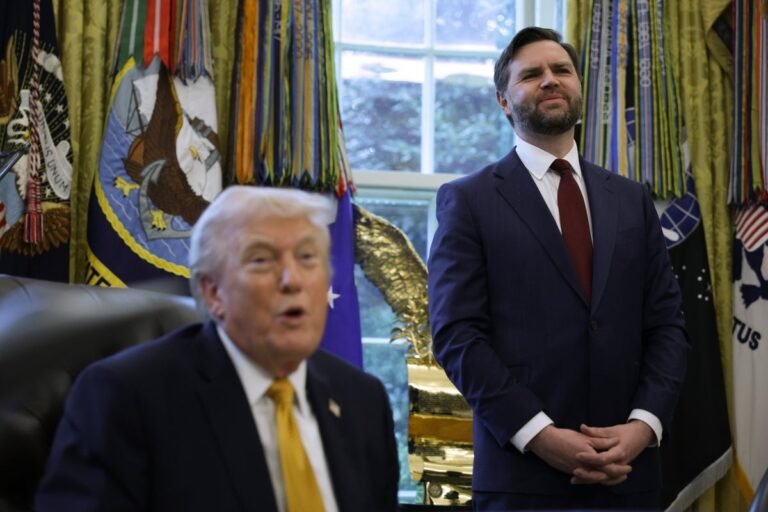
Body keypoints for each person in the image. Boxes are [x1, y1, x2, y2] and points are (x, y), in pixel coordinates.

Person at [427, 27, 688, 511]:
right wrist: (540, 435)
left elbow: (667, 325)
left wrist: (643, 425)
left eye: (561, 70)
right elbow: (457, 334)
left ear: (579, 88)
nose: (550, 80)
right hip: (523, 478)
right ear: (504, 101)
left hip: (628, 476)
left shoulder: (631, 201)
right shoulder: (468, 200)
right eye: (532, 74)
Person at [36, 186, 399, 511]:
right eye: (262, 260)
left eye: (307, 258)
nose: (292, 280)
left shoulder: (362, 401)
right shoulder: (126, 398)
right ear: (213, 293)